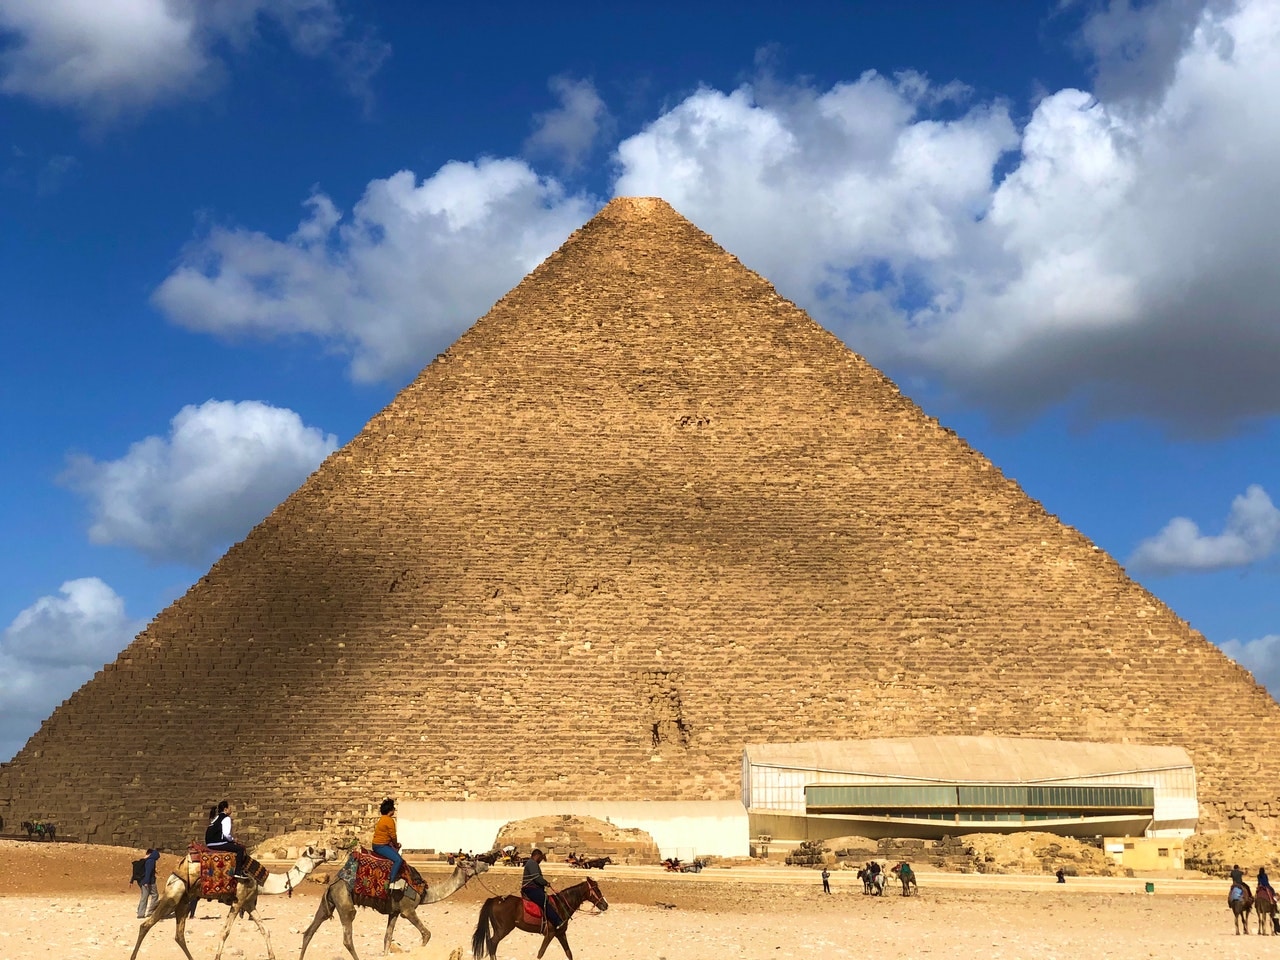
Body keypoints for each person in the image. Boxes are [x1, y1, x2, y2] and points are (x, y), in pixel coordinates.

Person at [521, 849, 564, 930]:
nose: (540, 860)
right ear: (537, 856)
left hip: (533, 888)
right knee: (544, 901)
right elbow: (537, 878)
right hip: (530, 889)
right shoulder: (532, 863)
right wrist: (546, 883)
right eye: (540, 858)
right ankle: (557, 922)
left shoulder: (532, 863)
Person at [204, 801, 248, 878]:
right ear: (225, 809)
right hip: (217, 843)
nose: (231, 810)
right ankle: (238, 872)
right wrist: (233, 840)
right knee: (240, 849)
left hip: (209, 843)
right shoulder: (226, 818)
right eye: (230, 808)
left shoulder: (216, 817)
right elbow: (226, 834)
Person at [372, 798, 407, 891]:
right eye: (393, 809)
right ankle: (391, 882)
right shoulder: (389, 820)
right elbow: (393, 836)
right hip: (381, 846)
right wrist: (396, 845)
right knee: (398, 860)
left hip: (378, 844)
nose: (394, 811)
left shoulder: (382, 819)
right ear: (390, 810)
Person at [136, 848, 160, 918]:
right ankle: (150, 912)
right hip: (149, 881)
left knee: (144, 896)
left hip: (142, 881)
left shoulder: (145, 860)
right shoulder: (151, 861)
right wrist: (146, 881)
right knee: (155, 895)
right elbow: (148, 872)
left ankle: (140, 913)